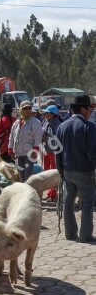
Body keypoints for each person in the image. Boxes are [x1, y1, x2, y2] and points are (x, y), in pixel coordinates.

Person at [56, 95, 96, 243]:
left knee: (68, 203)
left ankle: (70, 234)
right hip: (85, 172)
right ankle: (85, 236)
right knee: (87, 203)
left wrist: (60, 171)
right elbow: (93, 153)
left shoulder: (62, 126)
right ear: (83, 109)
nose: (91, 111)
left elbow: (57, 152)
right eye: (90, 108)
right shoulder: (89, 127)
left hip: (67, 171)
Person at [8, 101, 42, 181]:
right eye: (25, 108)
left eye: (29, 108)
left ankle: (29, 191)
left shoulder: (36, 122)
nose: (27, 110)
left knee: (29, 175)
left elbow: (38, 138)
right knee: (21, 175)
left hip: (29, 153)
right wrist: (10, 149)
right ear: (21, 110)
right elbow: (12, 137)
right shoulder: (16, 123)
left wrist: (35, 150)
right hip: (19, 153)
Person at [42, 103, 61, 202]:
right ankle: (49, 193)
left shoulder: (57, 125)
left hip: (54, 151)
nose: (45, 115)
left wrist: (47, 138)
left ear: (53, 114)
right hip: (46, 150)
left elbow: (57, 140)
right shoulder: (46, 122)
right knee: (46, 172)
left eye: (47, 113)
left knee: (53, 173)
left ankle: (53, 194)